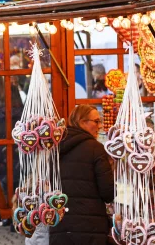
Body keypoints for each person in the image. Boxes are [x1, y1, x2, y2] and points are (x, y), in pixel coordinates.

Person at [50, 105, 114, 245]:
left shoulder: (56, 147)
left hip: (61, 225)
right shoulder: (96, 149)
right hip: (90, 227)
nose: (100, 125)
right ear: (81, 121)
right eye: (96, 121)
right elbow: (108, 193)